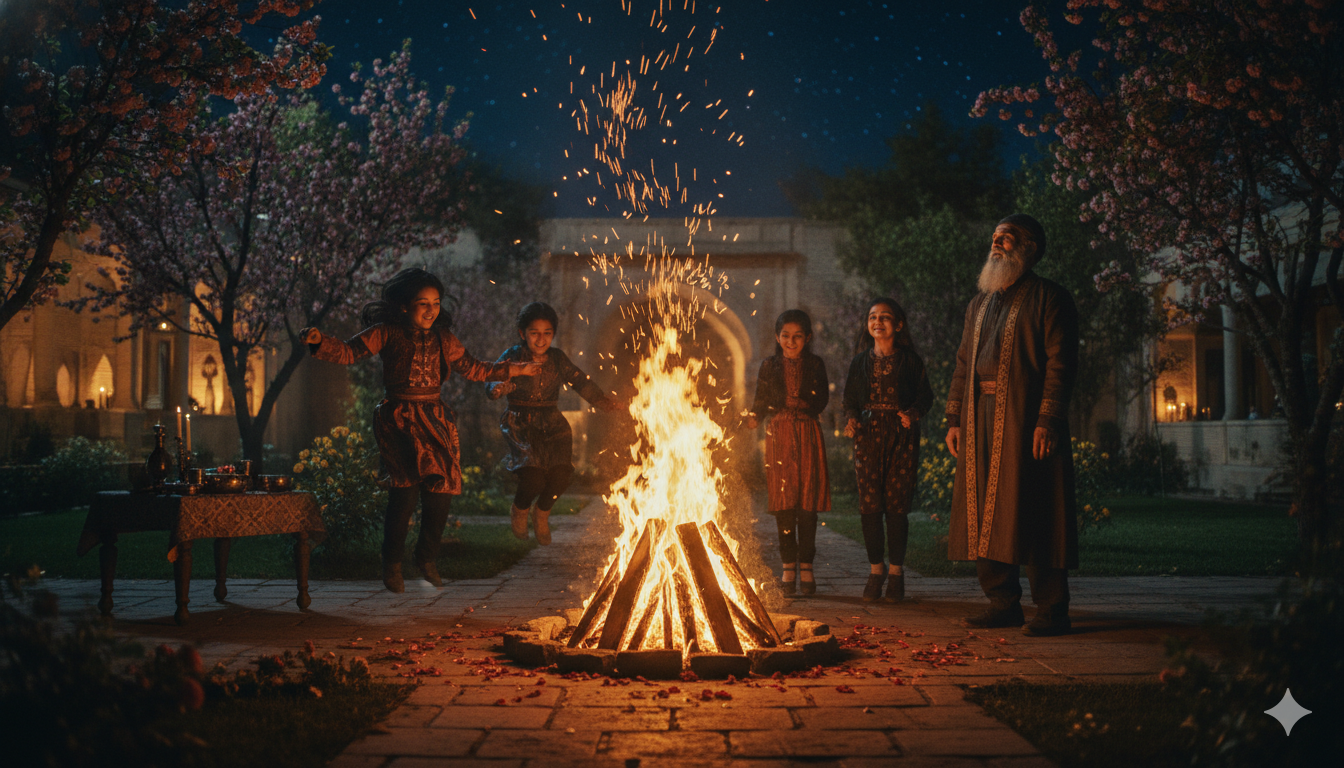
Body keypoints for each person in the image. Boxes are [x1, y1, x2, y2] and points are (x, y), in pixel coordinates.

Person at [302, 268, 539, 593]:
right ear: (403, 306)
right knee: (404, 494)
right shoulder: (385, 333)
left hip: (436, 421)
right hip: (398, 420)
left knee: (441, 495)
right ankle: (392, 563)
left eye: (436, 302)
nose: (430, 310)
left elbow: (475, 368)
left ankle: (427, 558)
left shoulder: (445, 339)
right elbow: (348, 352)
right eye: (422, 303)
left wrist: (516, 368)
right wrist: (319, 342)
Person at [944, 213, 1080, 637]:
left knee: (1039, 508)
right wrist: (953, 418)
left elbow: (1061, 362)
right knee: (986, 508)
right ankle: (1003, 603)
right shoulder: (979, 303)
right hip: (980, 417)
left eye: (1007, 237)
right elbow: (964, 362)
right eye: (995, 236)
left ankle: (1052, 609)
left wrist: (1048, 418)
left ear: (1029, 248)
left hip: (1026, 419)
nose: (997, 243)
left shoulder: (1049, 297)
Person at [489, 302, 621, 544]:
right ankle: (519, 510)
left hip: (552, 423)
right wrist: (499, 387)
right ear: (522, 333)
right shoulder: (512, 357)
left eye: (547, 333)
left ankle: (542, 514)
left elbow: (580, 381)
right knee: (534, 478)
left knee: (561, 475)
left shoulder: (557, 358)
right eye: (534, 333)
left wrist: (603, 401)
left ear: (553, 334)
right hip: (521, 423)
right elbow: (492, 380)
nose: (541, 340)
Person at [842, 298, 933, 603]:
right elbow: (850, 400)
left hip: (901, 437)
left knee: (896, 507)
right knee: (870, 507)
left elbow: (925, 396)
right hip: (868, 438)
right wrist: (852, 419)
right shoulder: (859, 363)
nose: (877, 322)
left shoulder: (910, 361)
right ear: (867, 325)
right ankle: (875, 571)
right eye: (872, 317)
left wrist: (913, 413)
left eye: (884, 317)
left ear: (898, 324)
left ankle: (896, 574)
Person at [747, 309, 831, 596]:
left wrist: (804, 405)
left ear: (807, 338)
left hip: (807, 432)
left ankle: (806, 566)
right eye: (785, 336)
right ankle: (787, 568)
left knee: (807, 503)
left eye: (797, 337)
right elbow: (760, 399)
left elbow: (822, 399)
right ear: (777, 337)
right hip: (779, 433)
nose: (791, 342)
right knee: (783, 502)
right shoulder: (769, 366)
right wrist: (754, 417)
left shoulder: (815, 365)